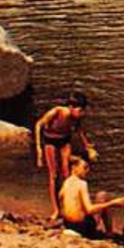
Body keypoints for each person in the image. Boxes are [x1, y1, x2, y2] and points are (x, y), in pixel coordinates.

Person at [34, 91, 96, 221]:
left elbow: (80, 131)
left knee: (67, 173)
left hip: (64, 140)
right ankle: (56, 209)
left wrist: (88, 147)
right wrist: (39, 149)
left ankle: (68, 205)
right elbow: (38, 125)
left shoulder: (76, 118)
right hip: (50, 140)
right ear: (71, 107)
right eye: (80, 109)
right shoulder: (57, 112)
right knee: (54, 175)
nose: (82, 113)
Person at [57, 156, 124, 239]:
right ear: (74, 168)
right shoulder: (81, 184)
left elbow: (60, 198)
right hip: (81, 228)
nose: (87, 171)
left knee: (97, 201)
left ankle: (107, 232)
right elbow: (89, 209)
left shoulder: (66, 182)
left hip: (68, 224)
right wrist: (113, 203)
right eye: (84, 168)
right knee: (102, 196)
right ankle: (109, 232)